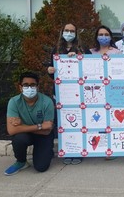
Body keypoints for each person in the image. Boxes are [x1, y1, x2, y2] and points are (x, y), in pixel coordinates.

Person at [48, 23, 90, 165]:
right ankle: (67, 150)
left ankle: (78, 150)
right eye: (67, 30)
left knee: (79, 123)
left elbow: (90, 68)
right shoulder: (56, 49)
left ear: (76, 33)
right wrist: (50, 71)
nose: (69, 33)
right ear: (62, 32)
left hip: (79, 94)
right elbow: (53, 72)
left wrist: (79, 57)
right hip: (62, 93)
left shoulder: (83, 49)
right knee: (64, 123)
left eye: (72, 31)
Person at [5, 72, 55, 176]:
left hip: (43, 137)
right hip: (28, 135)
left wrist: (21, 125)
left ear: (37, 87)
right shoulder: (14, 102)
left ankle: (47, 152)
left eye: (32, 85)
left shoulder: (47, 102)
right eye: (26, 85)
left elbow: (47, 131)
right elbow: (11, 130)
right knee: (19, 138)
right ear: (20, 87)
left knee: (41, 167)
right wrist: (39, 126)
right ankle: (21, 162)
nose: (29, 88)